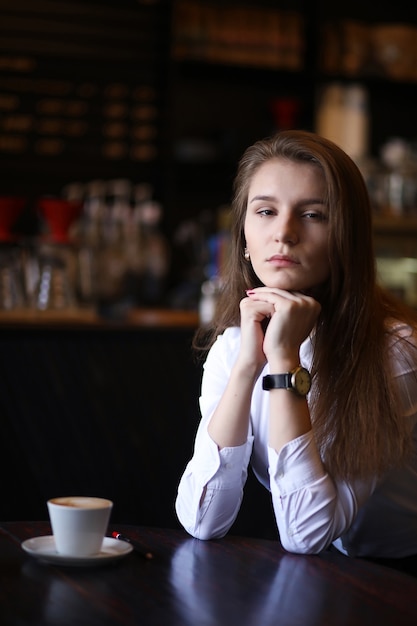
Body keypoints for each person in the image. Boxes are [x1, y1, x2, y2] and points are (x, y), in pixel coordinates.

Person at [175, 129, 417, 573]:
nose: (284, 233)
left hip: (399, 577)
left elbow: (308, 532)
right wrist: (250, 363)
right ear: (244, 235)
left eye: (313, 215)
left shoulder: (394, 352)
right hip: (321, 572)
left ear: (346, 237)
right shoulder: (234, 347)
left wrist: (284, 361)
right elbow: (202, 520)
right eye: (265, 211)